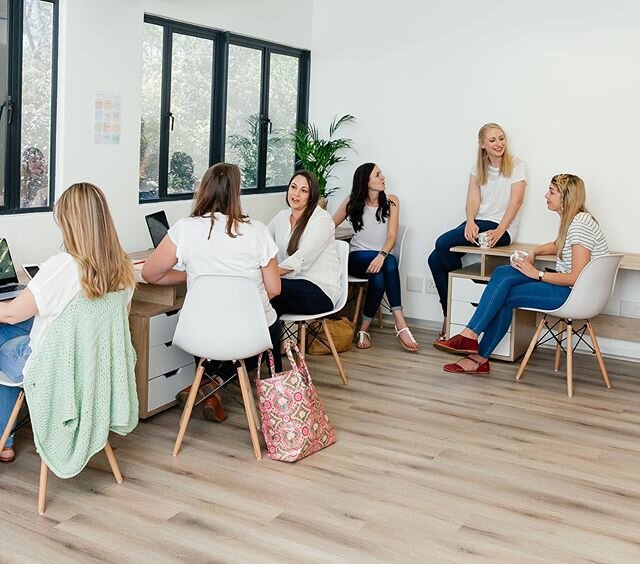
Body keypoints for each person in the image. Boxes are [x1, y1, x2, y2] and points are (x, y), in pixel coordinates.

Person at [0, 183, 136, 463]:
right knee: (18, 328)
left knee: (4, 330)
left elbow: (12, 312)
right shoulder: (123, 266)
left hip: (53, 369)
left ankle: (5, 440)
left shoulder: (63, 266)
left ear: (69, 223)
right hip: (93, 367)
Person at [142, 162, 281, 422]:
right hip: (247, 334)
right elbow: (274, 289)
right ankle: (222, 385)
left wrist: (195, 275)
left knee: (219, 335)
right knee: (271, 326)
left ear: (203, 189)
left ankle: (210, 384)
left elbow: (151, 274)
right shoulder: (258, 231)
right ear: (237, 193)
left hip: (198, 333)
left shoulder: (184, 228)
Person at [434, 174, 608, 374]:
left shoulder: (580, 225)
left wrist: (538, 274)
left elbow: (577, 277)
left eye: (551, 192)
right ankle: (471, 338)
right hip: (572, 290)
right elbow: (559, 244)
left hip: (576, 295)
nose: (546, 195)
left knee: (505, 295)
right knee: (503, 273)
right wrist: (534, 252)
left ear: (566, 196)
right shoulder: (575, 221)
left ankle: (476, 351)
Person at [428, 123, 527, 342]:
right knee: (435, 259)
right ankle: (449, 313)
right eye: (492, 140)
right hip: (479, 222)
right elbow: (473, 197)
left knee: (442, 243)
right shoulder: (477, 167)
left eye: (501, 138)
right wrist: (470, 221)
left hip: (501, 229)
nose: (499, 143)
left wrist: (500, 231)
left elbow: (516, 201)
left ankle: (451, 315)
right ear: (482, 144)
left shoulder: (517, 166)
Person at [333, 162, 420, 352]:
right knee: (389, 262)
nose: (383, 177)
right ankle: (400, 322)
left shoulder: (392, 201)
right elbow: (330, 225)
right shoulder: (352, 202)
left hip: (379, 260)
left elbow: (392, 236)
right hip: (356, 258)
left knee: (379, 277)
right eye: (378, 175)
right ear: (366, 181)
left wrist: (380, 255)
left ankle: (364, 330)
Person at [268, 171, 341, 320]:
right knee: (269, 309)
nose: (296, 194)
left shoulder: (322, 220)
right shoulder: (281, 216)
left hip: (321, 290)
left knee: (271, 288)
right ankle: (268, 343)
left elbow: (301, 259)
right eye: (293, 187)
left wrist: (269, 274)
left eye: (304, 190)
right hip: (291, 285)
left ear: (311, 195)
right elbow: (263, 243)